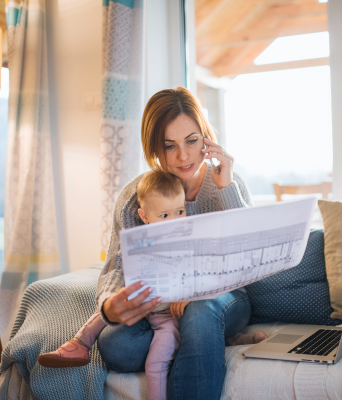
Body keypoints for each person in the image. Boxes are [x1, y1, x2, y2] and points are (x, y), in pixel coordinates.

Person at [96, 86, 267, 400]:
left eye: (191, 141)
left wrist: (227, 187)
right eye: (169, 146)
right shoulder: (138, 195)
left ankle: (201, 334)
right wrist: (110, 305)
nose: (184, 156)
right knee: (116, 345)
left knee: (199, 314)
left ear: (206, 137)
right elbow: (116, 266)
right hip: (160, 308)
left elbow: (249, 257)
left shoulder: (228, 182)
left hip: (222, 298)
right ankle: (201, 341)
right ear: (154, 149)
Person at [38, 170, 191, 400]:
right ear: (145, 216)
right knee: (109, 306)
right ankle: (79, 343)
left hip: (168, 317)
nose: (174, 221)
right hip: (145, 303)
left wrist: (186, 294)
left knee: (156, 361)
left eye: (180, 211)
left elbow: (200, 274)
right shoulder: (140, 240)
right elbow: (118, 268)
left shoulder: (187, 238)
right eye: (164, 215)